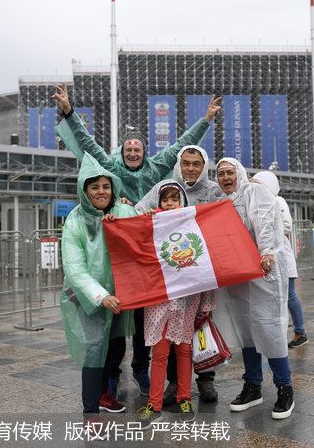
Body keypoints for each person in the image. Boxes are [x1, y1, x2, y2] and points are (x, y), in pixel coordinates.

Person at [52, 84, 221, 397]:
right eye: (128, 148)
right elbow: (87, 144)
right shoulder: (112, 168)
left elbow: (183, 145)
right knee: (115, 319)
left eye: (137, 148)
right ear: (122, 153)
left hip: (149, 258)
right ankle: (112, 376)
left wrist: (207, 119)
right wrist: (69, 112)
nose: (132, 152)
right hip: (115, 258)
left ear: (145, 151)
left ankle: (141, 370)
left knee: (147, 319)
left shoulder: (157, 167)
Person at [134, 145, 221, 405]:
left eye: (196, 163)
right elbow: (139, 212)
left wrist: (246, 188)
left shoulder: (213, 190)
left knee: (199, 332)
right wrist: (137, 214)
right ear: (179, 165)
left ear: (204, 166)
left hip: (196, 279)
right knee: (169, 344)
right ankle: (173, 387)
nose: (191, 168)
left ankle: (205, 379)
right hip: (164, 290)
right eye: (186, 163)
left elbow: (227, 210)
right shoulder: (165, 187)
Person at [59, 153, 137, 431]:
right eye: (95, 187)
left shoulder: (125, 211)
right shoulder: (75, 221)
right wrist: (99, 295)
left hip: (120, 296)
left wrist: (151, 215)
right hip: (90, 300)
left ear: (113, 188)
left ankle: (106, 395)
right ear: (85, 190)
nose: (101, 192)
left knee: (115, 346)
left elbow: (145, 229)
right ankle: (90, 411)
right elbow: (74, 267)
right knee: (94, 350)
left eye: (105, 186)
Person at [212, 158, 295, 420]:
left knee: (268, 326)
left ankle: (284, 387)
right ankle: (253, 385)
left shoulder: (254, 191)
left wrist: (266, 252)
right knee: (245, 329)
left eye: (230, 172)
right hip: (237, 274)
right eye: (221, 174)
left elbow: (264, 223)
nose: (226, 178)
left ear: (239, 173)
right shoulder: (219, 200)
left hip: (263, 271)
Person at [251, 171, 308, 349]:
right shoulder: (257, 202)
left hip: (282, 256)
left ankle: (300, 331)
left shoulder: (277, 201)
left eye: (257, 184)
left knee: (289, 295)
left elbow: (286, 226)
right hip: (269, 257)